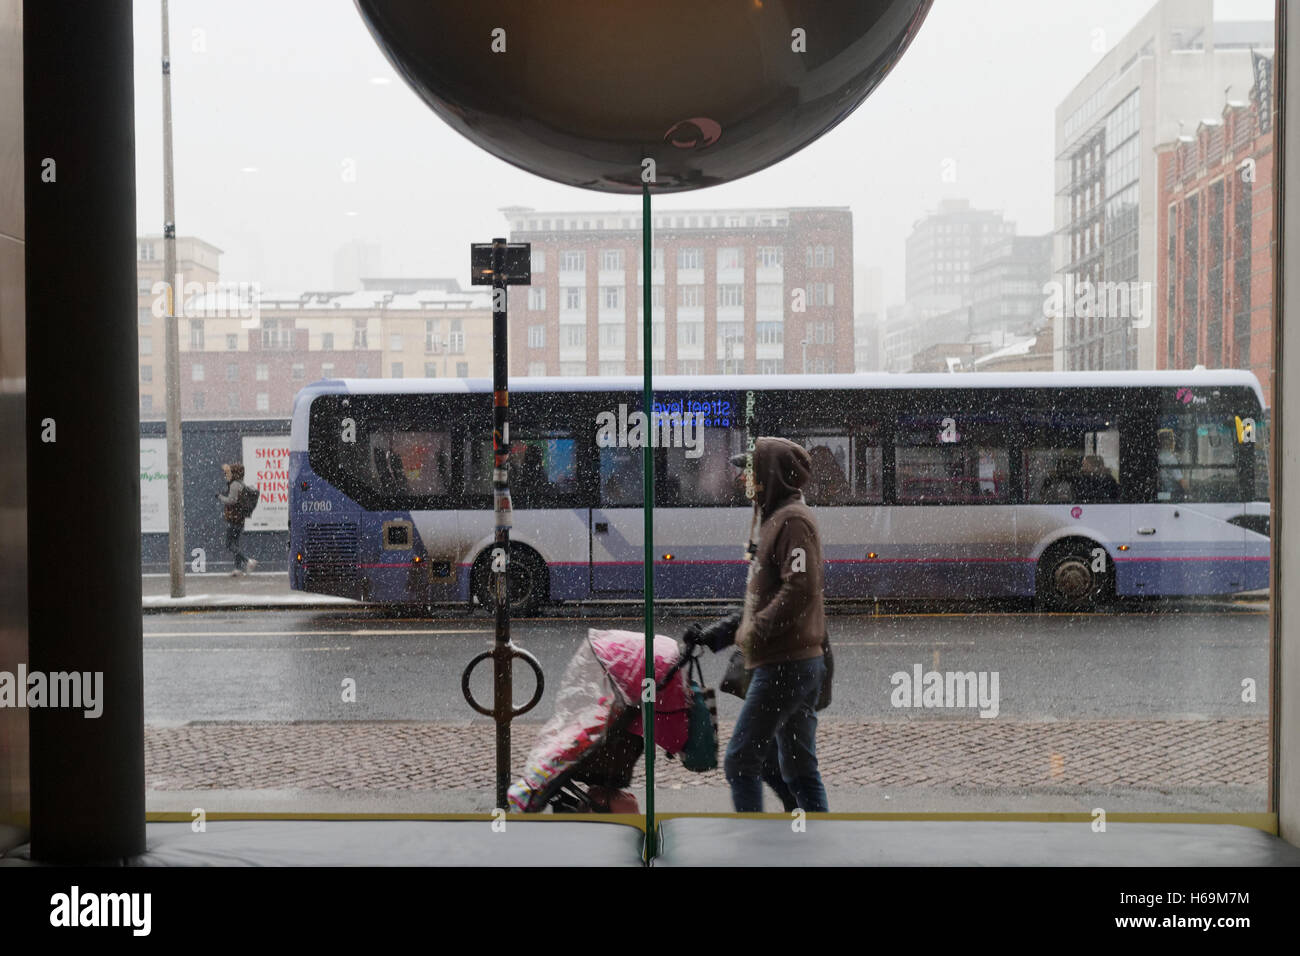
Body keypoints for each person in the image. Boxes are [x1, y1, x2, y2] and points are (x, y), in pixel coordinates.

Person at [686, 437, 828, 813]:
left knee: (742, 760)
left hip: (786, 663)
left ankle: (757, 846)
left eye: (750, 471)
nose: (743, 478)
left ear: (771, 475)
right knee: (791, 766)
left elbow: (800, 589)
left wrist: (755, 630)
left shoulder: (793, 521)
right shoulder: (773, 517)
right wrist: (716, 634)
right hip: (790, 661)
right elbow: (761, 598)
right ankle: (811, 835)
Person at [216, 463, 257, 576]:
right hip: (239, 519)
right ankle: (238, 569)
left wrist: (220, 497)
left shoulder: (235, 485)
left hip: (234, 519)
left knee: (229, 544)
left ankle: (248, 561)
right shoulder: (240, 484)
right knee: (236, 544)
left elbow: (231, 500)